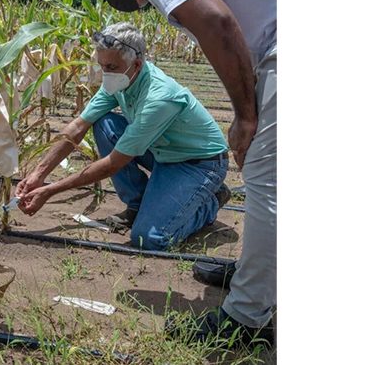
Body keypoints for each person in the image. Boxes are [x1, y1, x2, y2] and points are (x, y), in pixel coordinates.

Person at [75, 0, 276, 346]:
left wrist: (245, 113)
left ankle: (247, 318)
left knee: (266, 181)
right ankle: (256, 276)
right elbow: (84, 123)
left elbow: (217, 23)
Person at [15, 22, 231, 252]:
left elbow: (112, 165)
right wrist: (39, 174)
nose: (105, 73)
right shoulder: (119, 80)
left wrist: (50, 190)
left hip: (197, 163)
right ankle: (138, 205)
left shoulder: (159, 98)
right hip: (161, 151)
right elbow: (77, 127)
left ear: (136, 64)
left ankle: (211, 201)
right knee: (104, 123)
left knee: (151, 239)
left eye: (111, 66)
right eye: (101, 66)